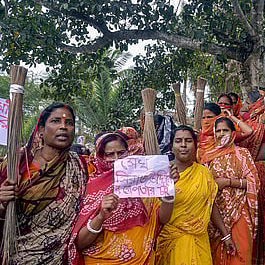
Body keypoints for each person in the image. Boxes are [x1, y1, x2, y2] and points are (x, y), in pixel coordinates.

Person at [68, 131, 179, 264]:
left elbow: (162, 218)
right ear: (99, 156)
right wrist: (101, 216)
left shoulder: (143, 180)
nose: (117, 159)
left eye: (121, 153)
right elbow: (79, 243)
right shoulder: (89, 187)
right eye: (109, 154)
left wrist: (168, 191)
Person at [0, 102, 88, 264]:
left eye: (69, 123)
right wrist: (2, 202)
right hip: (17, 255)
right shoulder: (17, 162)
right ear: (41, 130)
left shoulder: (80, 166)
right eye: (56, 121)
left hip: (59, 257)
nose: (63, 127)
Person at [156, 126, 236, 265]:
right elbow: (161, 218)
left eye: (188, 141)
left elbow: (210, 206)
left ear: (195, 145)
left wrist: (226, 235)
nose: (183, 145)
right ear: (172, 146)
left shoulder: (203, 173)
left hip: (200, 240)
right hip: (172, 242)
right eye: (178, 141)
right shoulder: (162, 174)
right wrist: (169, 187)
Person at [205, 117, 259, 265]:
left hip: (240, 211)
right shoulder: (207, 157)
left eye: (225, 130)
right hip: (216, 216)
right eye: (218, 131)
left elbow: (254, 182)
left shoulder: (242, 153)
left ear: (233, 133)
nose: (222, 134)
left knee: (241, 254)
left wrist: (228, 182)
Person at [239, 90, 265, 264]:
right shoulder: (249, 119)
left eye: (247, 102)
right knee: (249, 216)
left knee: (264, 215)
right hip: (247, 171)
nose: (246, 106)